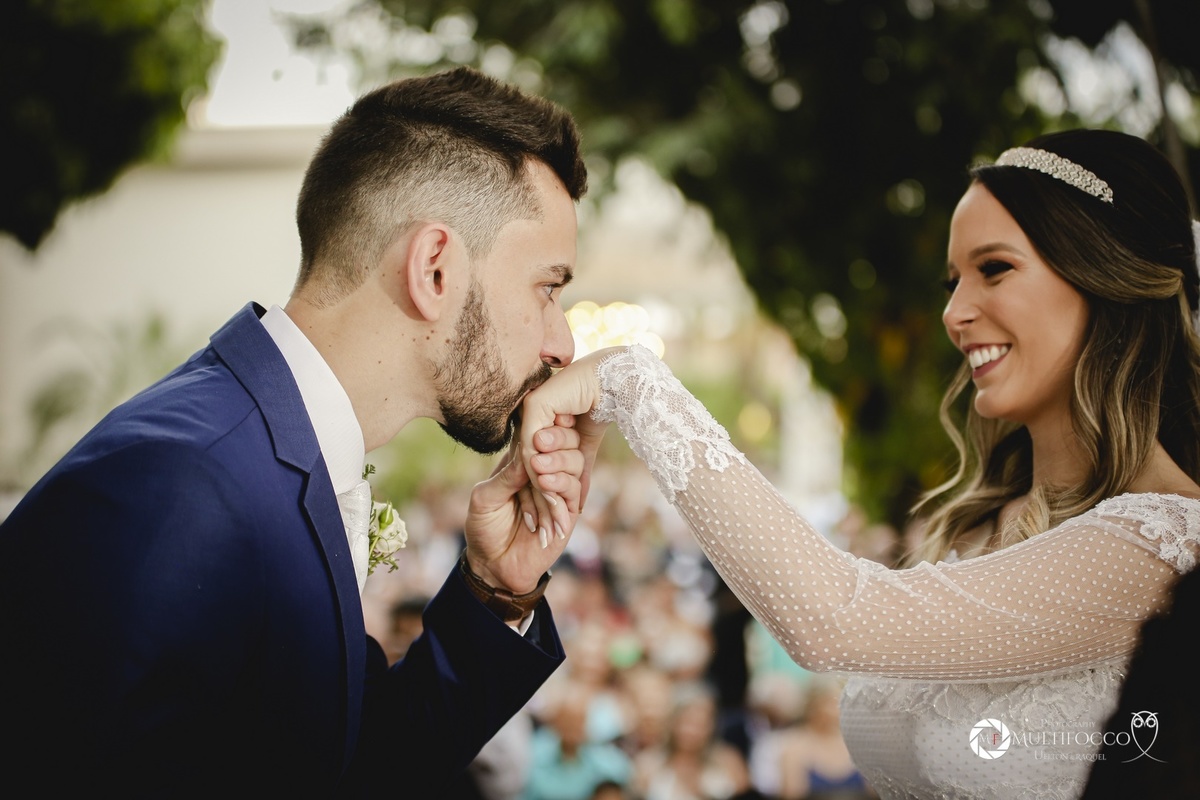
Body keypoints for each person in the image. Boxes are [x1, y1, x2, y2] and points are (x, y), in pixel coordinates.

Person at [519, 129, 1200, 798]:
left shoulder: (1164, 544)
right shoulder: (983, 524)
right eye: (952, 281)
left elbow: (835, 619)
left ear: (1104, 276)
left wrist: (633, 385)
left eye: (994, 269)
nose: (955, 312)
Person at [0, 66, 594, 795]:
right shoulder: (178, 486)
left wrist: (497, 591)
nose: (561, 343)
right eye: (548, 288)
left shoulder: (278, 460)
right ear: (434, 269)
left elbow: (346, 765)